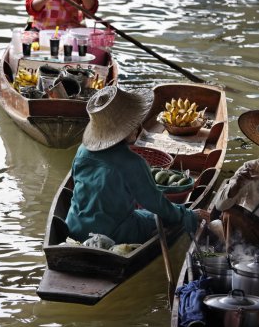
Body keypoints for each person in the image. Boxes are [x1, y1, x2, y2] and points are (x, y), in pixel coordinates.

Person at [66, 85, 210, 244]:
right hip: (111, 234)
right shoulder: (133, 163)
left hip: (74, 226)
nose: (138, 127)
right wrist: (187, 214)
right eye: (134, 124)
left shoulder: (82, 151)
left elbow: (76, 183)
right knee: (157, 217)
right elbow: (158, 205)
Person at [215, 110, 259, 252]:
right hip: (248, 229)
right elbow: (220, 206)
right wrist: (237, 184)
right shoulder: (250, 168)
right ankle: (233, 260)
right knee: (229, 214)